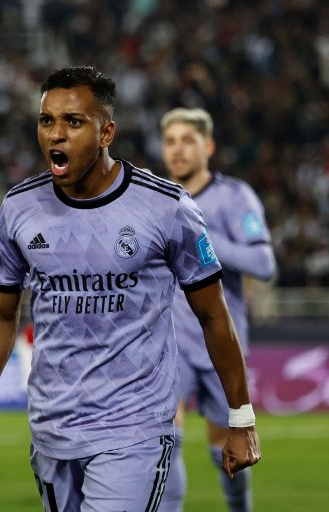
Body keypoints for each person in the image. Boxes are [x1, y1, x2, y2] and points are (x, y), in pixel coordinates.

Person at [0, 66, 261, 512]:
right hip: (51, 430)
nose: (56, 134)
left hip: (136, 427)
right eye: (46, 120)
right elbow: (0, 313)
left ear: (106, 131)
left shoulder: (166, 207)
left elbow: (213, 315)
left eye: (73, 122)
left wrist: (241, 418)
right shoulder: (18, 209)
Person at [158, 108, 276, 512]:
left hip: (220, 340)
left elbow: (264, 264)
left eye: (188, 140)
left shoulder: (234, 196)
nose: (178, 149)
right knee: (164, 443)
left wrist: (203, 238)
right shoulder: (155, 199)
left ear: (208, 147)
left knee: (226, 452)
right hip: (167, 345)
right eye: (170, 141)